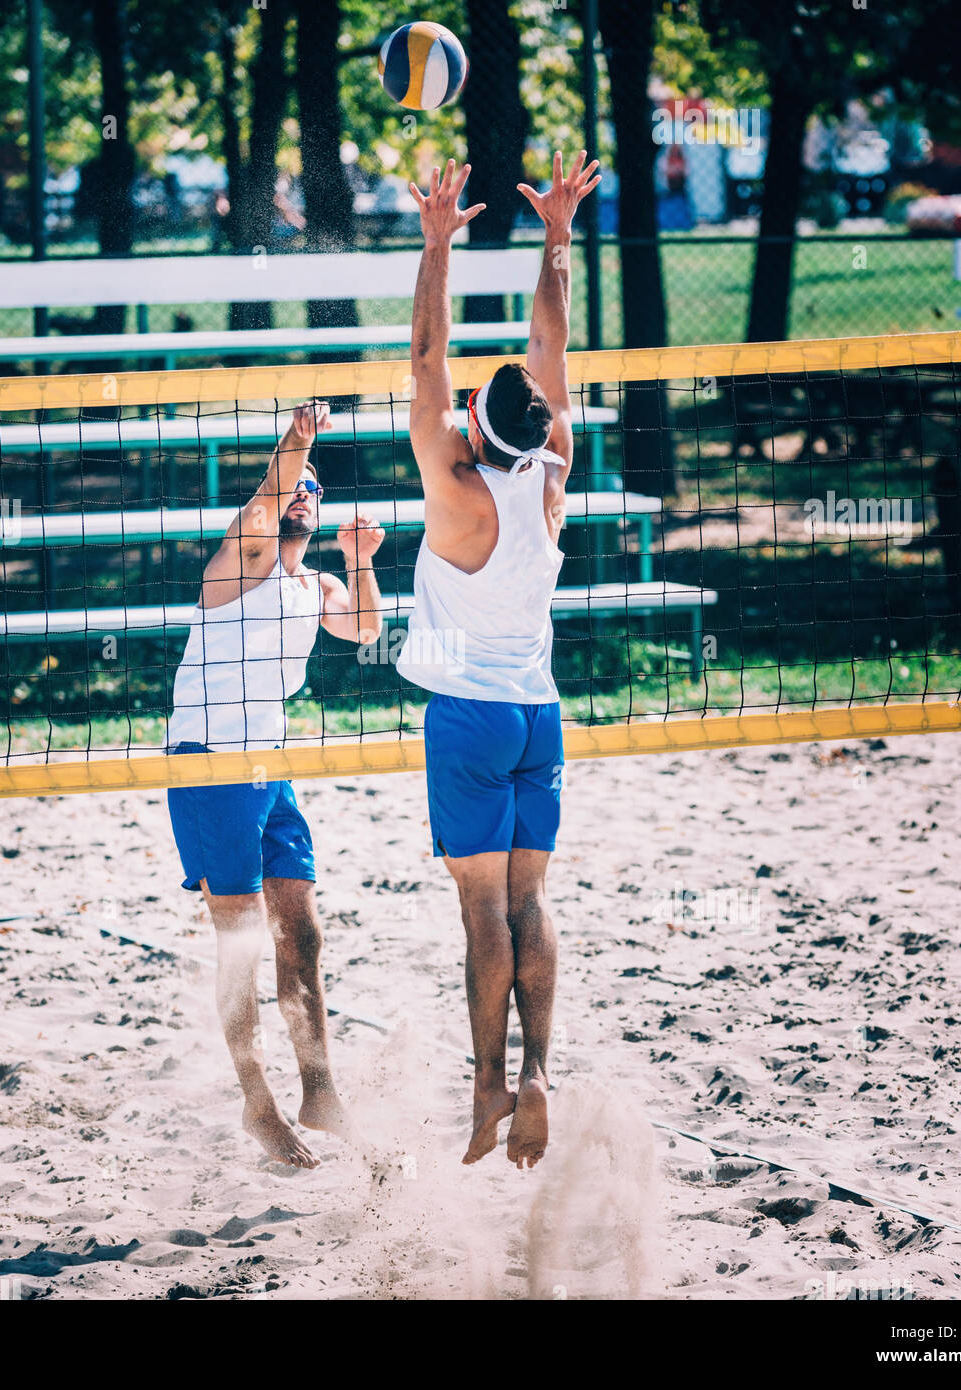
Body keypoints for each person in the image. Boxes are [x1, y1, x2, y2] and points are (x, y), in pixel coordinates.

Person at [399, 152, 601, 1169]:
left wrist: (437, 240)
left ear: (472, 429)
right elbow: (549, 348)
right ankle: (538, 1074)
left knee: (483, 914)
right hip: (539, 714)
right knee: (531, 906)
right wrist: (556, 237)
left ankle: (486, 1086)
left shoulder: (455, 487)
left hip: (470, 719)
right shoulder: (552, 476)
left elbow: (427, 352)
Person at [167, 400, 386, 1168]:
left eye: (313, 490)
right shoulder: (242, 561)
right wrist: (295, 444)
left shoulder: (312, 583)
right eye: (296, 486)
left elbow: (365, 628)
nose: (301, 494)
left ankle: (319, 1092)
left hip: (269, 765)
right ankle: (258, 1103)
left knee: (303, 928)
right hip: (210, 763)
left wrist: (361, 557)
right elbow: (268, 497)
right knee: (240, 944)